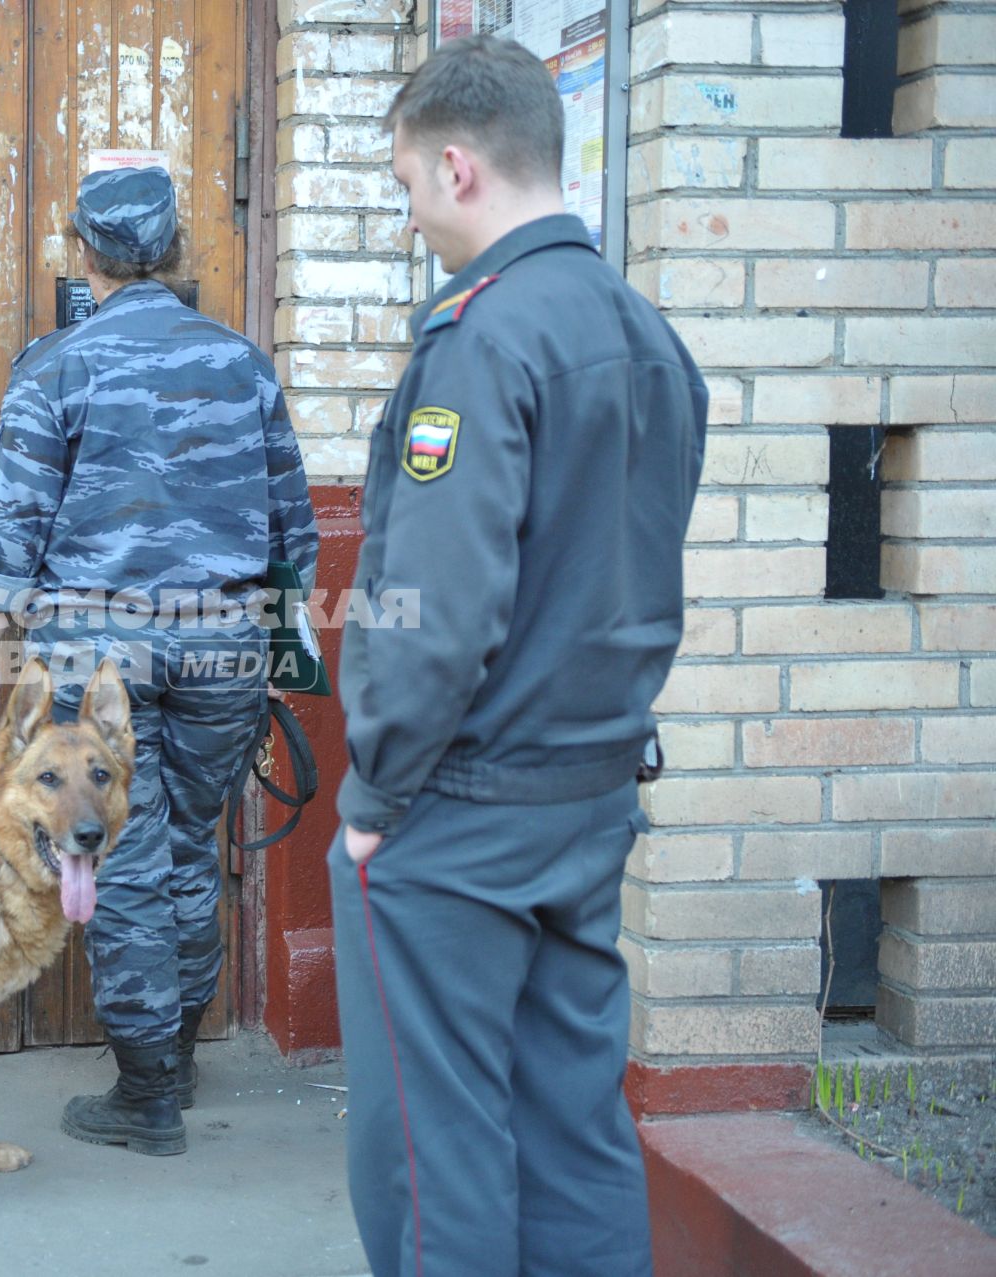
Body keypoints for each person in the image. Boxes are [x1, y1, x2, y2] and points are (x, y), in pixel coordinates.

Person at [329, 36, 706, 1277]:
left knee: (436, 1150)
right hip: (592, 796)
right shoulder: (648, 334)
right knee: (573, 1123)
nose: (409, 213)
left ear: (456, 167)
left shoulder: (481, 340)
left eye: (403, 187)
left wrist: (375, 795)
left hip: (460, 813)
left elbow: (435, 607)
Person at [0, 165, 319, 1157]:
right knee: (188, 842)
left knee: (117, 853)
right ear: (178, 250)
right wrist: (284, 653)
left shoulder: (55, 366)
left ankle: (148, 1089)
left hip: (94, 648)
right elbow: (291, 523)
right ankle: (179, 1059)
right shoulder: (243, 364)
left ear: (85, 255)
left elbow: (12, 523)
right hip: (224, 643)